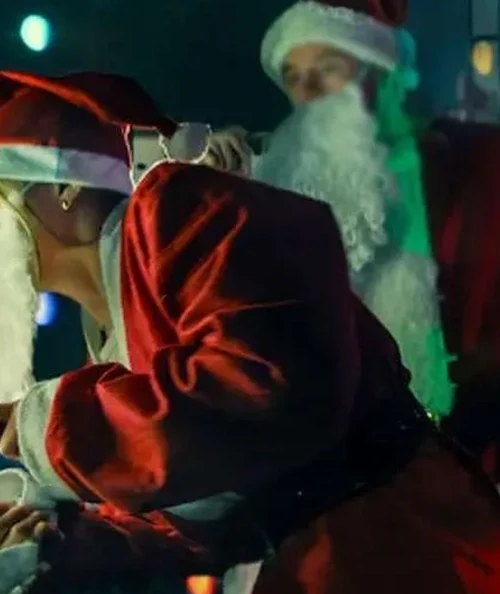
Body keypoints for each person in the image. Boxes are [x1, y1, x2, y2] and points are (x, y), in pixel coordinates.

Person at [0, 69, 500, 594]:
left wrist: (58, 428)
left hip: (391, 580)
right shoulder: (110, 321)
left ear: (60, 186)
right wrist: (52, 536)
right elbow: (200, 511)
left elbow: (262, 390)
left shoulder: (180, 209)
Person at [205, 0, 500, 479]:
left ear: (379, 71)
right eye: (293, 77)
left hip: (464, 464)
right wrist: (221, 196)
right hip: (339, 475)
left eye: (328, 69)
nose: (308, 93)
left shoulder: (476, 166)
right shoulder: (277, 181)